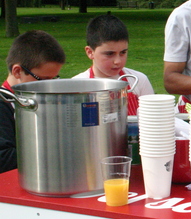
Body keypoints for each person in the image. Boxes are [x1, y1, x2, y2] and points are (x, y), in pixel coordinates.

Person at [0, 30, 66, 173]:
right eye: (43, 79)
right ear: (17, 71)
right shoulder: (4, 104)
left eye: (54, 79)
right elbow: (3, 158)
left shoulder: (37, 100)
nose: (50, 86)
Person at [73, 14, 154, 115]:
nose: (118, 61)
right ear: (90, 52)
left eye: (123, 53)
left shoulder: (138, 80)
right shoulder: (77, 86)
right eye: (109, 54)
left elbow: (153, 118)